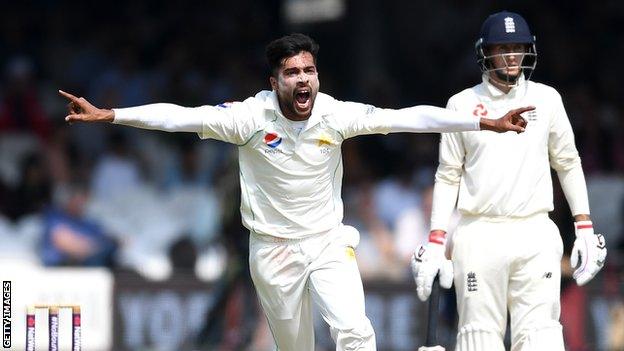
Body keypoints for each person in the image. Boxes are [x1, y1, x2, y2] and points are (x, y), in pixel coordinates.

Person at [60, 33, 531, 351]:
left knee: (355, 333)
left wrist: (482, 120)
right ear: (274, 82)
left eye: (309, 70)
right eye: (291, 73)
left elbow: (410, 116)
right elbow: (179, 116)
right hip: (272, 250)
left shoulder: (335, 114)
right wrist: (111, 115)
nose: (303, 79)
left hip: (327, 241)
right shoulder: (247, 118)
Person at [411, 12, 607, 351]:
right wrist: (436, 240)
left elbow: (568, 162)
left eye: (518, 47)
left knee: (542, 337)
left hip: (534, 230)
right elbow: (448, 174)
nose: (512, 56)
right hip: (479, 233)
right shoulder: (462, 104)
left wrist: (584, 227)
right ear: (485, 53)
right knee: (478, 337)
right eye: (503, 48)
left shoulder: (547, 99)